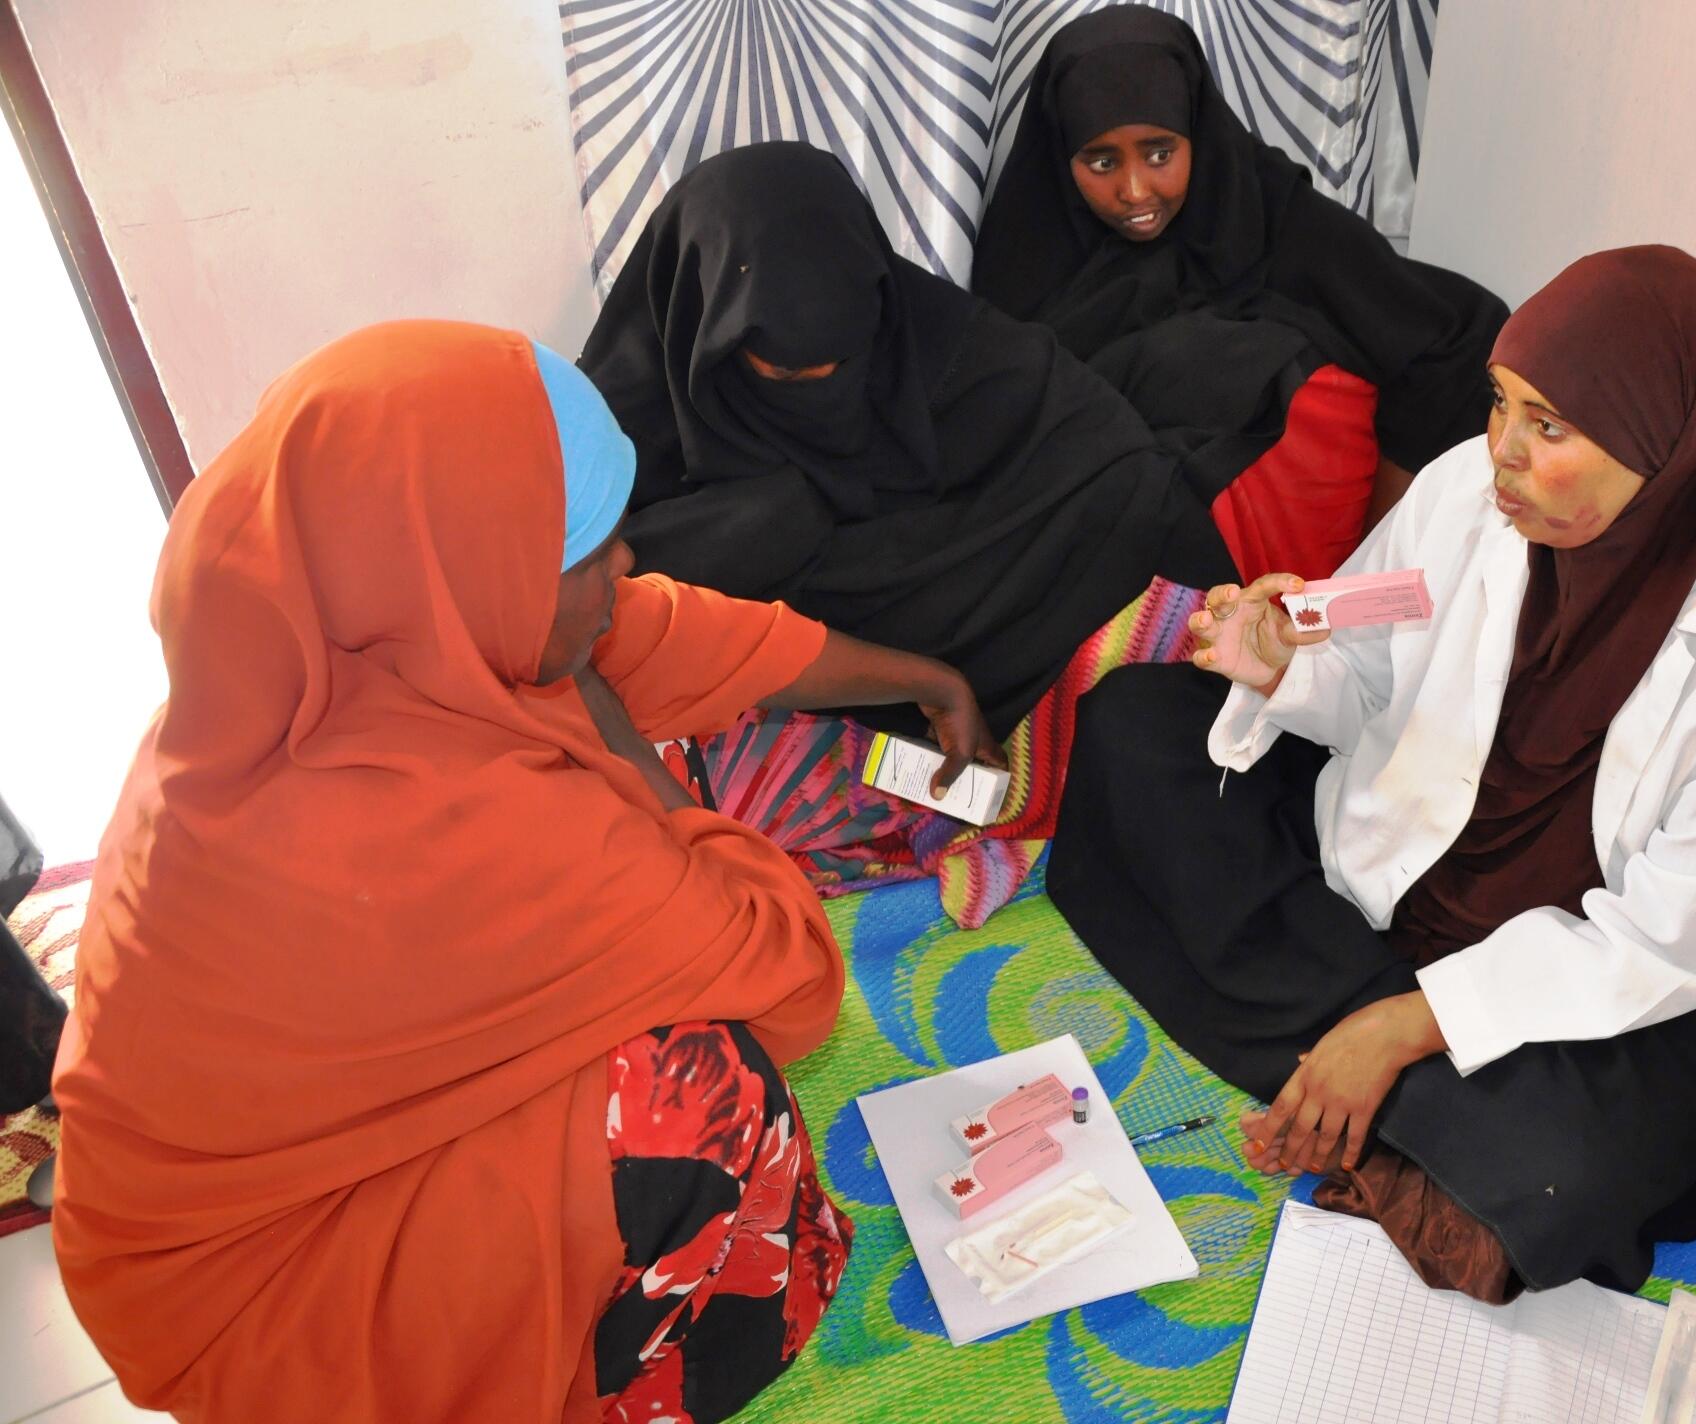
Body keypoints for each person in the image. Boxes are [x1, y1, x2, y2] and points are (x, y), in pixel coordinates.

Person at [50, 320, 1005, 1422]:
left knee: (676, 727)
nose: (628, 565)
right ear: (467, 575)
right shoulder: (439, 828)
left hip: (222, 1202)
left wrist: (921, 677)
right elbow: (791, 979)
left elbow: (672, 636)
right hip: (271, 1311)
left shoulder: (320, 655)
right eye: (589, 553)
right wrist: (631, 754)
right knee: (696, 1085)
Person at [1048, 247, 1696, 1299]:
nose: (1501, 449)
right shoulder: (1467, 489)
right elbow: (1362, 662)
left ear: (1668, 453)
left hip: (1606, 970)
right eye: (1500, 402)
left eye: (1548, 426)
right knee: (1134, 729)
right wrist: (1283, 659)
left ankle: (1364, 1055)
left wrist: (1404, 1022)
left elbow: (1662, 946)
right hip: (1398, 868)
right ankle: (1401, 1097)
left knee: (1565, 1180)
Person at [578, 141, 1235, 740]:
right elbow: (594, 611)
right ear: (702, 328)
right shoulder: (598, 443)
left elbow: (1109, 458)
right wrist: (763, 529)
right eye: (780, 371)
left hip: (968, 662)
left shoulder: (942, 342)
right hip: (776, 697)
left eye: (843, 362)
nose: (822, 393)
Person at [972, 5, 1509, 581]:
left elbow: (1450, 329)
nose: (1134, 191)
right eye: (1101, 162)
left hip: (1274, 566)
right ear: (1061, 153)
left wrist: (1375, 552)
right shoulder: (1029, 249)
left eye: (1160, 154)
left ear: (1197, 131)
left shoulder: (1262, 211)